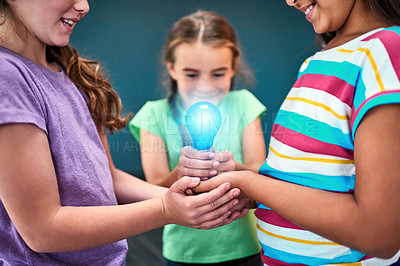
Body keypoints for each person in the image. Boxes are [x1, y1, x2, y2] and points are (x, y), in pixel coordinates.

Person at [0, 1, 247, 265]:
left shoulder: (69, 70)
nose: (84, 6)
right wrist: (165, 209)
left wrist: (187, 198)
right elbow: (42, 230)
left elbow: (110, 179)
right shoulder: (8, 76)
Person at [193, 0, 400, 265]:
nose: (291, 0)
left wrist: (249, 182)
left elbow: (379, 233)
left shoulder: (385, 50)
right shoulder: (314, 63)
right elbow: (310, 182)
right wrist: (243, 179)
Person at [129, 10, 267, 265]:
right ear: (172, 67)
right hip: (184, 252)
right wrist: (179, 174)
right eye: (191, 74)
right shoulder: (154, 115)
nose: (205, 87)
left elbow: (263, 178)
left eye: (218, 73)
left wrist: (236, 169)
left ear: (233, 66)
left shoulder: (245, 105)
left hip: (245, 247)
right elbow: (153, 191)